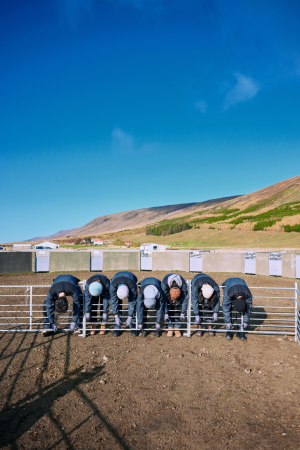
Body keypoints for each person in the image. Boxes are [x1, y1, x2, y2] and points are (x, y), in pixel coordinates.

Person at [109, 271, 138, 337]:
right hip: (116, 280)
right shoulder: (113, 286)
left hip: (131, 279)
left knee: (133, 303)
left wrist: (130, 317)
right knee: (117, 303)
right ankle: (117, 326)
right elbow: (113, 302)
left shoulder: (133, 286)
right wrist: (116, 316)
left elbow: (132, 302)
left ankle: (133, 325)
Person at [161, 273, 189, 338]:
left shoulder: (183, 285)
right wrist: (165, 312)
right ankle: (170, 327)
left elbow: (185, 298)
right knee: (169, 306)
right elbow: (163, 299)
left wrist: (182, 312)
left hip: (178, 294)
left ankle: (177, 327)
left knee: (177, 307)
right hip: (168, 293)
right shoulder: (164, 284)